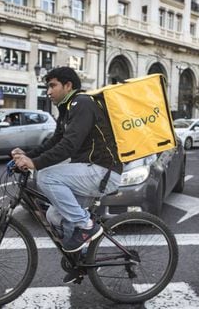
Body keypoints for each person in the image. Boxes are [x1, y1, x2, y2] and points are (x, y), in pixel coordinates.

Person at [11, 67, 122, 255]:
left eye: (53, 86)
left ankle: (87, 226)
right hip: (90, 171)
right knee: (54, 214)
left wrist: (35, 163)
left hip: (102, 171)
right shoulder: (67, 108)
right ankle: (82, 259)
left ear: (68, 85)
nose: (48, 92)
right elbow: (56, 141)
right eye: (47, 87)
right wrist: (28, 155)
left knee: (46, 176)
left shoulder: (82, 103)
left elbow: (69, 145)